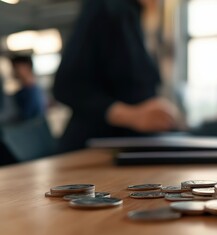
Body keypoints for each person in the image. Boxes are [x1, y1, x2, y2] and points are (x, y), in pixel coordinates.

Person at [53, 0, 179, 152]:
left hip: (133, 149)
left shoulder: (138, 16)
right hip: (96, 153)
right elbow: (66, 85)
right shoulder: (107, 7)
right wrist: (132, 116)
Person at [9, 55, 46, 121]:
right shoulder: (28, 91)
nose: (13, 71)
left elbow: (26, 118)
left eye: (15, 67)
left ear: (26, 67)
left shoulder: (31, 92)